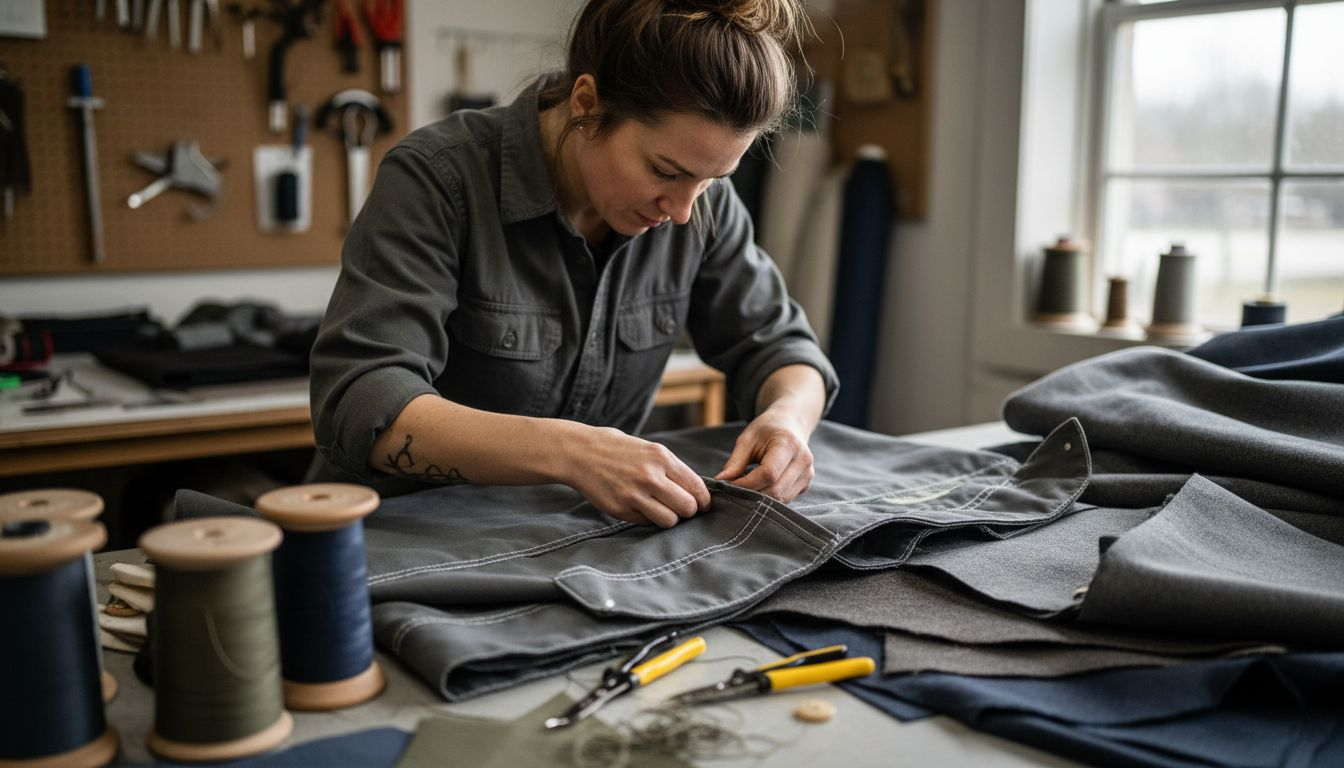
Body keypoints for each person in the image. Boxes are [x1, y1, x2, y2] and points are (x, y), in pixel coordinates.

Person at [308, 0, 839, 528]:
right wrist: (572, 453)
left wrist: (786, 420)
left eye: (711, 180)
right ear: (587, 104)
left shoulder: (701, 205)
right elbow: (360, 399)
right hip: (396, 538)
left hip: (566, 541)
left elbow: (784, 349)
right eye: (664, 170)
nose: (683, 212)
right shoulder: (438, 179)